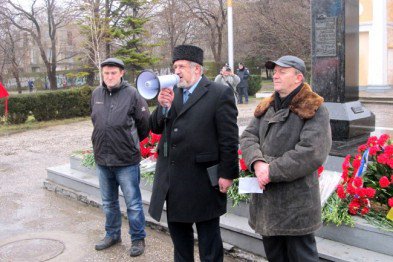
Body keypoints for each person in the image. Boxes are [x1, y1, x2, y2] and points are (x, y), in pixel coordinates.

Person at [148, 45, 239, 261]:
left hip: (202, 181)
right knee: (180, 242)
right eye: (174, 66)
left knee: (209, 241)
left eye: (181, 66)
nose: (176, 71)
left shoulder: (219, 93)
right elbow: (155, 127)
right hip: (174, 181)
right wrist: (162, 107)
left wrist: (227, 174)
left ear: (196, 69)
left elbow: (228, 138)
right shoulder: (173, 92)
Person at [240, 55, 332, 261]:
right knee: (275, 256)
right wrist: (257, 162)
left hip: (296, 204)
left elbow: (312, 152)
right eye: (274, 72)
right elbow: (248, 136)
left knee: (302, 257)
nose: (275, 76)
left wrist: (270, 171)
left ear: (298, 77)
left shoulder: (314, 107)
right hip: (267, 202)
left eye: (282, 71)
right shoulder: (267, 105)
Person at [90, 57, 150, 257]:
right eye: (106, 73)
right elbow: (96, 121)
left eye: (113, 72)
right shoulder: (96, 94)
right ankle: (112, 234)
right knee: (108, 203)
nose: (109, 76)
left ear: (122, 73)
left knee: (133, 203)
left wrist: (128, 142)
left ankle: (138, 238)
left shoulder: (133, 94)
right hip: (102, 159)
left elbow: (144, 125)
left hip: (126, 160)